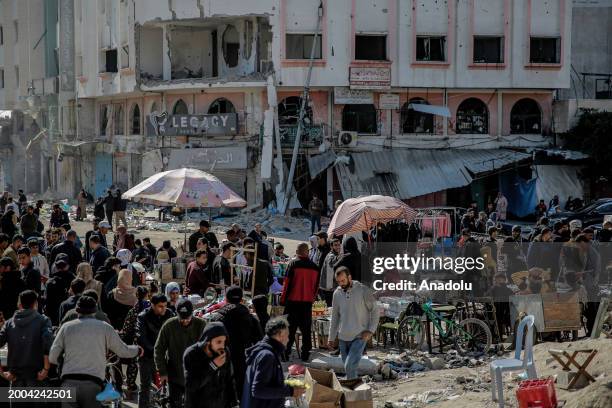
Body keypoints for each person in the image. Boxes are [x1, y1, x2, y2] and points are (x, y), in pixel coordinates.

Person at [49, 295, 142, 408]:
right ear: (95, 310)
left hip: (69, 382)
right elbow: (123, 350)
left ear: (77, 310)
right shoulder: (105, 327)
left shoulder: (66, 327)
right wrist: (138, 350)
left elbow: (52, 357)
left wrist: (63, 362)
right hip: (93, 384)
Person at [328, 267, 379, 380]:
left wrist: (370, 331)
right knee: (350, 370)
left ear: (349, 277)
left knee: (349, 366)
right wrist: (331, 338)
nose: (341, 284)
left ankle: (353, 393)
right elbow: (335, 317)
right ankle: (356, 393)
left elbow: (375, 311)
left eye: (343, 281)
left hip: (359, 337)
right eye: (339, 281)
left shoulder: (363, 290)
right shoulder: (337, 293)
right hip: (342, 338)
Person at [155, 298, 207, 408]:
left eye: (187, 318)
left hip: (195, 377)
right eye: (182, 318)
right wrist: (162, 372)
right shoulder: (169, 325)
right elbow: (159, 349)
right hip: (174, 375)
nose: (185, 321)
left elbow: (209, 350)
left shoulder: (201, 325)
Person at [242, 318, 304, 408]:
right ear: (280, 335)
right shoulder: (267, 356)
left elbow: (269, 381)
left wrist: (287, 384)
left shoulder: (267, 351)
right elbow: (258, 390)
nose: (288, 339)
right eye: (287, 335)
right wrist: (290, 391)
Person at [210, 286, 263, 392]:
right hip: (243, 360)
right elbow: (259, 340)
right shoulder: (250, 317)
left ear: (226, 298)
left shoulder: (218, 316)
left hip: (222, 360)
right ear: (241, 299)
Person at [0, 290, 53, 394]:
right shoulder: (43, 321)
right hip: (37, 375)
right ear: (35, 304)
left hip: (15, 376)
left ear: (19, 304)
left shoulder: (9, 323)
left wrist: (1, 372)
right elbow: (47, 344)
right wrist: (46, 369)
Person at [183, 322, 239, 408]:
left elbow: (229, 380)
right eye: (219, 342)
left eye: (224, 342)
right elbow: (192, 385)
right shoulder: (191, 354)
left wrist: (234, 403)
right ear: (208, 341)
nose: (222, 346)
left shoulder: (224, 352)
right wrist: (213, 366)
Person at [280, 243, 320, 362]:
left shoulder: (293, 264)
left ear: (297, 252)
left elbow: (286, 283)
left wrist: (283, 300)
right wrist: (312, 299)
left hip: (293, 301)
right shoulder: (315, 267)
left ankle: (286, 353)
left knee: (290, 330)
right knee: (306, 330)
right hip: (307, 302)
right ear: (307, 252)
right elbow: (316, 287)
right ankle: (305, 354)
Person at [136, 293, 174, 408]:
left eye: (165, 305)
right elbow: (141, 337)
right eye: (160, 306)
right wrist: (156, 351)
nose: (163, 309)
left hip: (166, 356)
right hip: (147, 356)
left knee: (170, 386)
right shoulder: (143, 316)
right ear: (152, 305)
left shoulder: (169, 314)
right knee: (145, 386)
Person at [120, 286, 150, 399]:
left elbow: (126, 328)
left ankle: (131, 385)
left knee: (133, 364)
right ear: (147, 295)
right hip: (150, 340)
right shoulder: (150, 308)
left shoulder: (133, 311)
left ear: (136, 295)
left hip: (137, 342)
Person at [320, 238, 342, 306]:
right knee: (329, 307)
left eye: (339, 245)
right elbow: (331, 263)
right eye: (335, 245)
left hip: (329, 286)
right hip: (328, 287)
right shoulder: (331, 255)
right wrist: (338, 258)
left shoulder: (334, 254)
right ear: (331, 246)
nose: (338, 246)